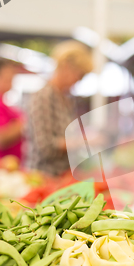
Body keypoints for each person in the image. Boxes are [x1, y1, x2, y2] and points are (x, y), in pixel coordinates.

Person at [24, 40, 93, 177]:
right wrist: (84, 141)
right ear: (67, 66)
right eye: (80, 74)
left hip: (62, 176)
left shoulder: (65, 98)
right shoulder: (44, 97)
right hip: (44, 177)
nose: (79, 80)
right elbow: (45, 146)